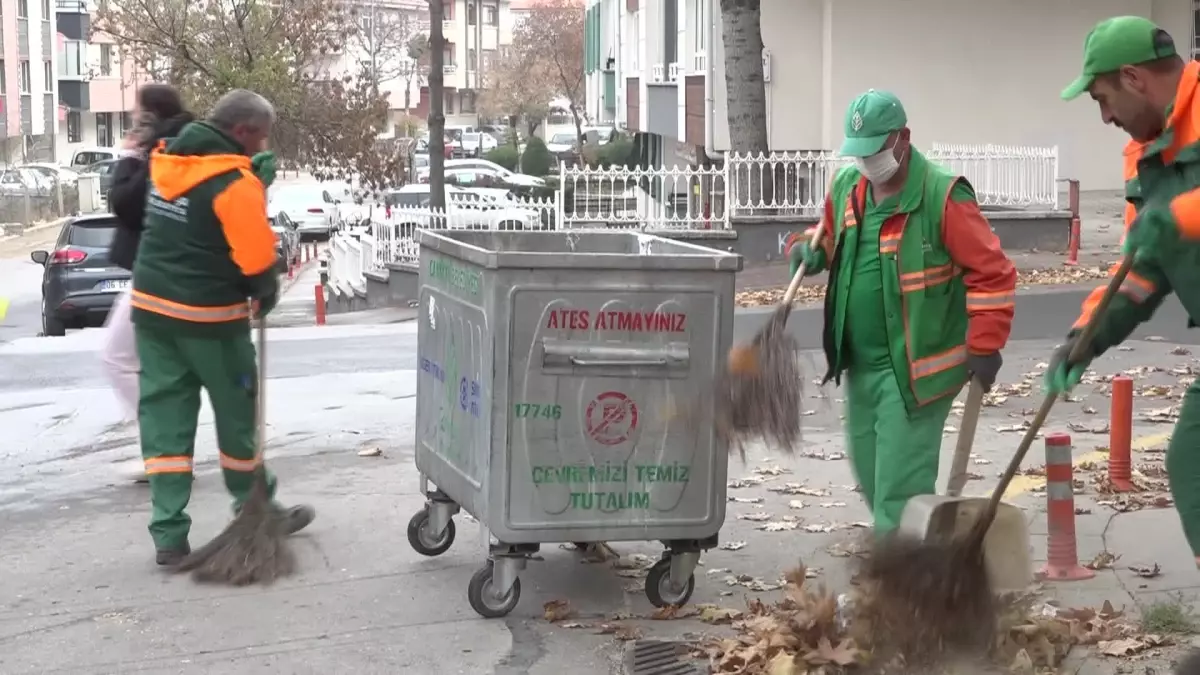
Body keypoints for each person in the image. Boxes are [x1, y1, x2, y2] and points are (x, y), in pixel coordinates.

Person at [785, 89, 1017, 534]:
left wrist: (986, 344)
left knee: (899, 491)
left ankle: (903, 591)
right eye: (860, 153)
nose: (868, 162)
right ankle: (910, 558)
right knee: (872, 476)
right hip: (860, 367)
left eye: (875, 151)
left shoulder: (942, 196)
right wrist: (809, 250)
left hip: (914, 371)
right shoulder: (848, 187)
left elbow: (992, 272)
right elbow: (831, 237)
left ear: (902, 140)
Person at [132, 88, 312, 565]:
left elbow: (198, 221)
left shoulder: (167, 162)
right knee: (238, 419)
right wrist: (267, 288)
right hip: (210, 319)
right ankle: (256, 509)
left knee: (166, 421)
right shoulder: (234, 182)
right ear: (242, 131)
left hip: (152, 313)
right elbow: (255, 258)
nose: (260, 147)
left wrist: (253, 182)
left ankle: (168, 534)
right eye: (260, 138)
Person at [1050, 18, 1200, 570]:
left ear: (1134, 78)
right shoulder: (1144, 158)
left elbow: (1173, 221)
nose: (1105, 116)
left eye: (1102, 98)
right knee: (1194, 465)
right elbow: (1136, 274)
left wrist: (1180, 217)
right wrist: (1083, 339)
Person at [103, 83, 195, 484]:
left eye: (137, 112)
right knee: (153, 366)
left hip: (157, 271)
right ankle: (165, 451)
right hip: (163, 269)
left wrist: (129, 154)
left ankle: (163, 452)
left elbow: (125, 203)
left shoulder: (163, 148)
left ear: (150, 114)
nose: (132, 119)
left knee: (116, 356)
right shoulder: (171, 142)